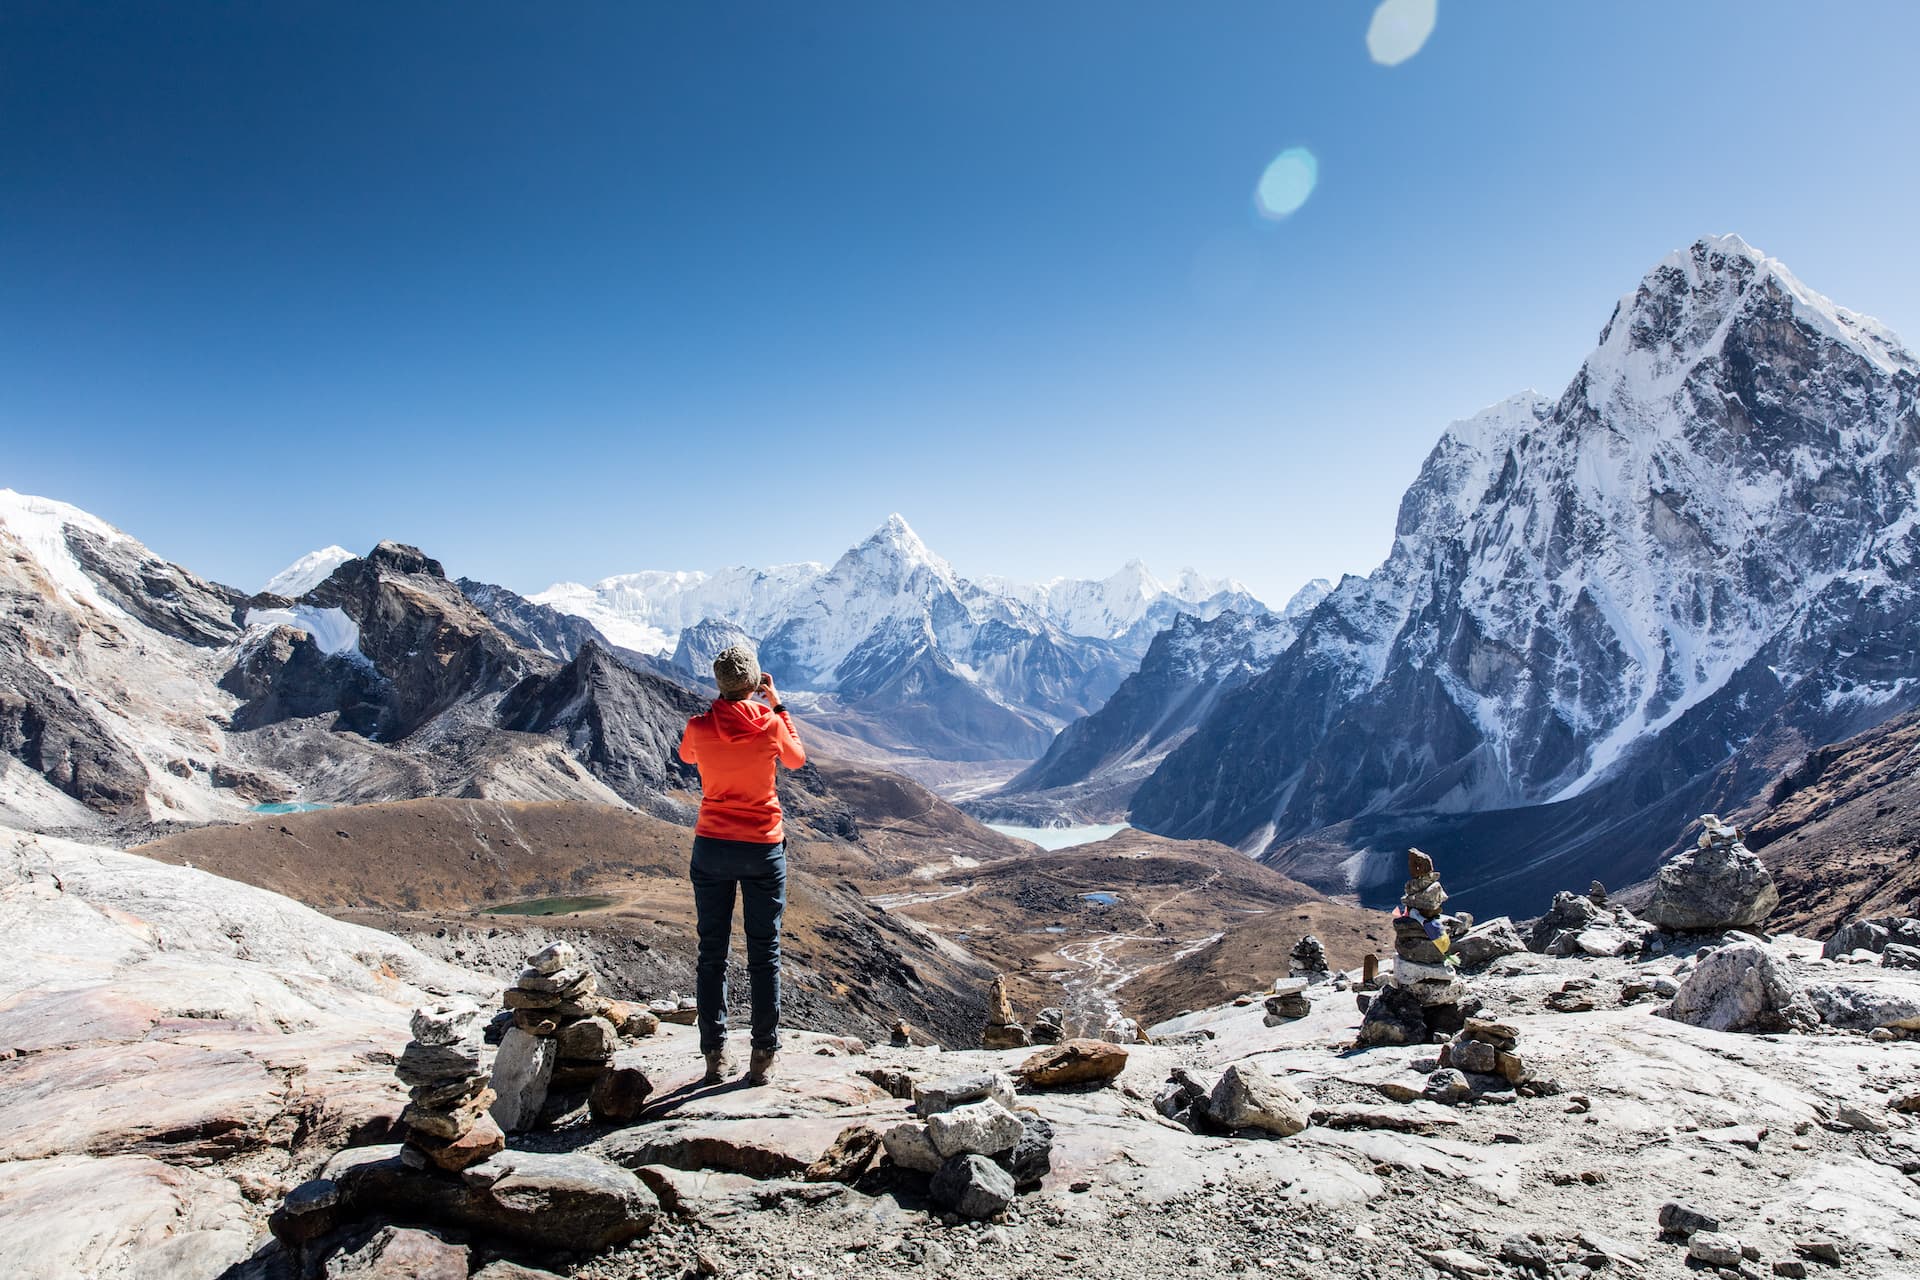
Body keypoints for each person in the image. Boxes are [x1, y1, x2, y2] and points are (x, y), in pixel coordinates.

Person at [676, 643, 806, 1085]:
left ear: (719, 684)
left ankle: (714, 1055)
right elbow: (796, 759)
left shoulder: (698, 726)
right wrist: (778, 704)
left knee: (711, 951)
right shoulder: (770, 725)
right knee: (763, 952)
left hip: (711, 845)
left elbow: (686, 757)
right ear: (754, 683)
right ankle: (763, 1057)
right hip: (761, 848)